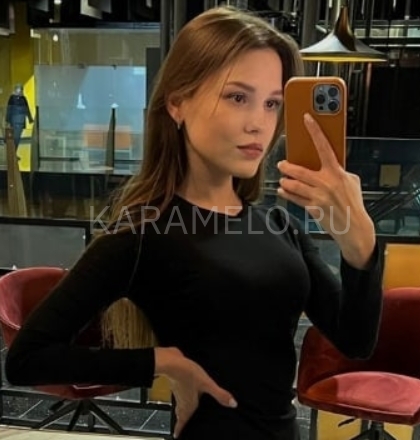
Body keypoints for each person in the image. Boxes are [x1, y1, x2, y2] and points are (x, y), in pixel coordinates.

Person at [5, 6, 383, 440]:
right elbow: (27, 359)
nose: (258, 123)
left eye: (272, 104)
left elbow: (355, 341)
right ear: (177, 103)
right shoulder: (143, 233)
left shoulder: (279, 225)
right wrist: (163, 362)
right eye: (237, 97)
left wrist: (360, 245)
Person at [5, 83, 34, 151]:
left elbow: (26, 109)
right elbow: (9, 109)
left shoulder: (23, 98)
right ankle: (13, 152)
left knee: (17, 137)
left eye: (21, 89)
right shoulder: (12, 98)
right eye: (19, 89)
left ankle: (14, 152)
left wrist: (30, 118)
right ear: (16, 90)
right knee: (15, 137)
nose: (20, 91)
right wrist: (7, 120)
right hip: (14, 121)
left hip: (21, 120)